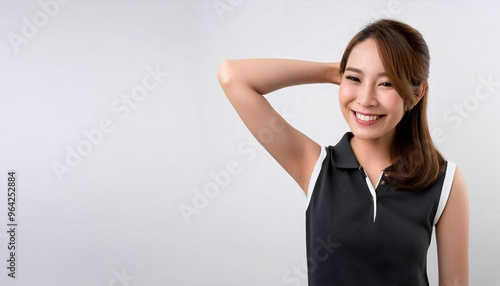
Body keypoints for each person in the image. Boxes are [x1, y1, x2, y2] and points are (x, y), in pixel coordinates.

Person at [217, 19, 468, 286]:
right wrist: (331, 72)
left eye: (386, 83)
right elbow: (232, 75)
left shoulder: (445, 181)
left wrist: (355, 74)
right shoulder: (314, 166)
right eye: (354, 79)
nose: (365, 99)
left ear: (417, 94)